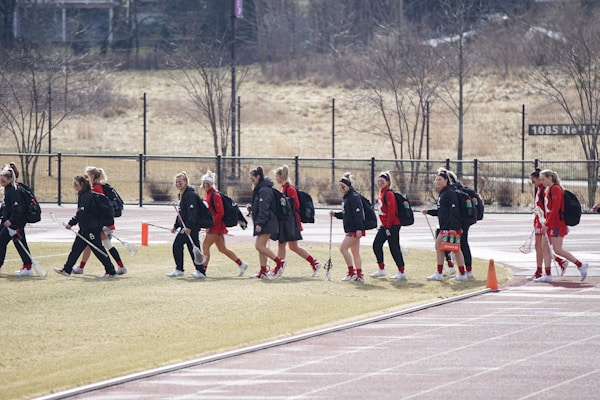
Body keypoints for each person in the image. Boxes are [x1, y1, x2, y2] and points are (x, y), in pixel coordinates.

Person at [54, 175, 117, 278]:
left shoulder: (86, 196)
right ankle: (67, 269)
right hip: (85, 228)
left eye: (76, 184)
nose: (74, 186)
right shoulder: (82, 195)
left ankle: (110, 270)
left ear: (82, 185)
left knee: (98, 250)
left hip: (92, 228)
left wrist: (71, 223)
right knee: (76, 249)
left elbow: (81, 213)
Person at [73, 166, 127, 275]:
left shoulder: (96, 189)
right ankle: (81, 267)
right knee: (90, 244)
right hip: (101, 222)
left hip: (101, 223)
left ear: (92, 176)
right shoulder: (99, 187)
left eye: (87, 175)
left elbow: (98, 208)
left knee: (105, 245)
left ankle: (120, 267)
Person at [271, 165, 322, 277]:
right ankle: (314, 262)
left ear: (281, 176)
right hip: (287, 222)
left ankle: (279, 267)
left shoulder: (290, 189)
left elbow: (296, 205)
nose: (276, 178)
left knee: (283, 244)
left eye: (277, 176)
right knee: (292, 246)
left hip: (291, 222)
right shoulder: (284, 188)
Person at [538, 169, 588, 282]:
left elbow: (555, 209)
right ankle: (547, 274)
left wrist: (546, 224)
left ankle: (580, 265)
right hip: (550, 223)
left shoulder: (556, 189)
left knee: (558, 250)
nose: (542, 182)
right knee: (544, 247)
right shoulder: (547, 190)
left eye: (543, 179)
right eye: (541, 180)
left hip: (556, 224)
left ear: (550, 178)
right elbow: (548, 208)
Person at [421, 170, 467, 281]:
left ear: (446, 180)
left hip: (449, 227)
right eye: (436, 179)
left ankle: (451, 273)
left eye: (440, 179)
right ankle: (449, 273)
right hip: (445, 226)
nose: (438, 181)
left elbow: (453, 210)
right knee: (451, 249)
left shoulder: (450, 192)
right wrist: (429, 212)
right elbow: (441, 211)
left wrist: (453, 227)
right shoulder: (443, 193)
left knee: (447, 248)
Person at [201, 170, 248, 276]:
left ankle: (202, 270)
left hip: (216, 226)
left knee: (205, 246)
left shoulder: (215, 195)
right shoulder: (207, 194)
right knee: (222, 248)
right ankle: (241, 264)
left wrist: (211, 224)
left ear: (212, 183)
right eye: (204, 183)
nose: (205, 185)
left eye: (207, 183)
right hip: (215, 225)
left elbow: (220, 213)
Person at [528, 168, 568, 281]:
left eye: (534, 180)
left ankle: (542, 270)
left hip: (544, 221)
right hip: (539, 221)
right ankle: (545, 268)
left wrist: (544, 222)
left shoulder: (546, 190)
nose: (533, 183)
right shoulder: (541, 190)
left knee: (542, 247)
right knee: (541, 247)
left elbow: (548, 209)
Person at [167, 171, 207, 279]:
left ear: (185, 182)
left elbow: (192, 213)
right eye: (176, 182)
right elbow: (181, 213)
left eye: (180, 182)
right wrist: (176, 226)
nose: (178, 184)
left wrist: (189, 227)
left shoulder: (189, 195)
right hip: (187, 226)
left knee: (178, 245)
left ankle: (181, 269)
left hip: (191, 227)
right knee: (192, 247)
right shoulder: (183, 194)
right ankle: (200, 271)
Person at [369, 171, 407, 280]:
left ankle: (401, 271)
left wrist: (388, 227)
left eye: (382, 181)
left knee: (394, 247)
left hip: (392, 225)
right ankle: (381, 269)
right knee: (377, 245)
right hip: (385, 225)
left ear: (388, 182)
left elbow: (392, 211)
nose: (380, 183)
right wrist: (383, 225)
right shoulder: (382, 193)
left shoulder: (389, 194)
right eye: (379, 181)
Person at [330, 172, 366, 283]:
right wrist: (336, 214)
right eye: (339, 186)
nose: (341, 188)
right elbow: (346, 214)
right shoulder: (346, 198)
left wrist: (359, 228)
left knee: (343, 248)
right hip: (351, 228)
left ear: (348, 186)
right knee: (355, 253)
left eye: (343, 186)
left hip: (355, 229)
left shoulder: (353, 197)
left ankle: (352, 272)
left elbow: (358, 213)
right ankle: (359, 275)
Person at [249, 166, 283, 279]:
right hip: (265, 221)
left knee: (259, 246)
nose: (251, 181)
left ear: (258, 177)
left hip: (267, 222)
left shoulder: (263, 190)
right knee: (261, 247)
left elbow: (265, 209)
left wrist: (260, 224)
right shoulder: (260, 188)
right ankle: (263, 271)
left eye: (252, 178)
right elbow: (260, 206)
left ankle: (279, 262)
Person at [0, 165, 33, 276]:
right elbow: (5, 207)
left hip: (15, 223)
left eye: (3, 180)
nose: (1, 181)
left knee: (2, 242)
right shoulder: (7, 190)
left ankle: (28, 267)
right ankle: (27, 267)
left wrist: (11, 221)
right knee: (19, 243)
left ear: (9, 179)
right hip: (8, 222)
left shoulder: (13, 191)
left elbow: (17, 208)